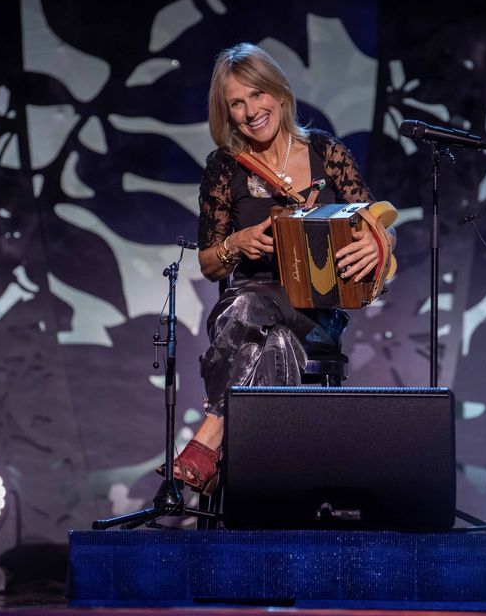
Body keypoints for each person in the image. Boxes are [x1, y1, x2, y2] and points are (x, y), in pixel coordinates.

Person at [169, 42, 395, 494]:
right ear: (226, 112)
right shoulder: (223, 167)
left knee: (253, 315)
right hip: (248, 305)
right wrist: (237, 242)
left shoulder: (326, 153)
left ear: (279, 94)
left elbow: (378, 222)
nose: (251, 110)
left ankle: (212, 434)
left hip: (317, 309)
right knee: (267, 338)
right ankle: (274, 488)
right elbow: (211, 262)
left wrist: (378, 244)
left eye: (257, 95)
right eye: (237, 102)